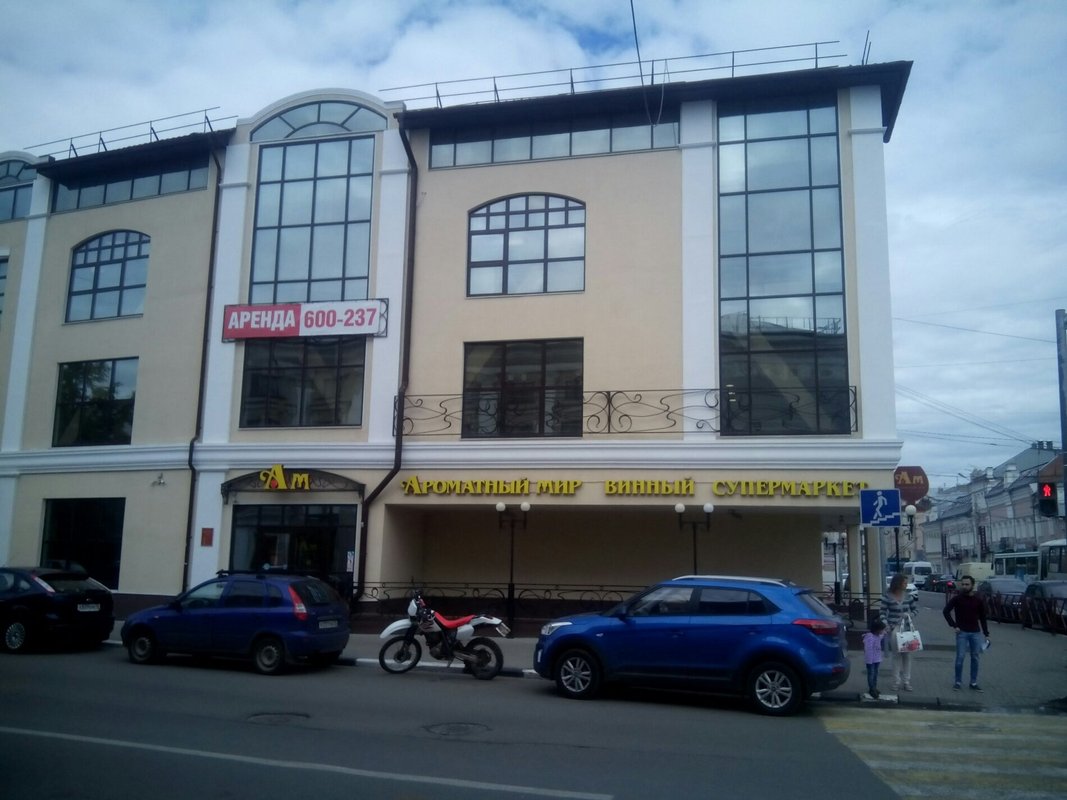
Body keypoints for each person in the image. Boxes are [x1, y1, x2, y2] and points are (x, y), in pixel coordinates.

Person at [942, 574, 990, 691]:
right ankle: (958, 682)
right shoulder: (957, 599)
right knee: (960, 657)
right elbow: (946, 611)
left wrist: (986, 633)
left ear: (972, 585)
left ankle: (973, 682)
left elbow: (983, 618)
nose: (964, 586)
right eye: (963, 584)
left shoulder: (978, 600)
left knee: (975, 658)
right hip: (962, 633)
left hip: (975, 633)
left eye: (967, 584)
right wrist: (954, 625)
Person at [880, 573, 918, 691]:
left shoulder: (908, 596)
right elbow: (882, 612)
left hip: (906, 629)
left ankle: (906, 681)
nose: (906, 585)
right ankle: (896, 681)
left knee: (907, 655)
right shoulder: (887, 596)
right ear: (898, 583)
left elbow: (915, 610)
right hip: (894, 629)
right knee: (896, 656)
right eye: (904, 583)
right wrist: (886, 624)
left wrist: (909, 615)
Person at [862, 620, 887, 698]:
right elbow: (868, 649)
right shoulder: (869, 637)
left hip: (877, 659)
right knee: (871, 674)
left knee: (875, 674)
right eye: (882, 629)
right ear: (877, 630)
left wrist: (885, 633)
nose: (883, 631)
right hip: (871, 660)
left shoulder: (877, 636)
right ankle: (871, 689)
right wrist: (869, 661)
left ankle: (874, 687)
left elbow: (881, 636)